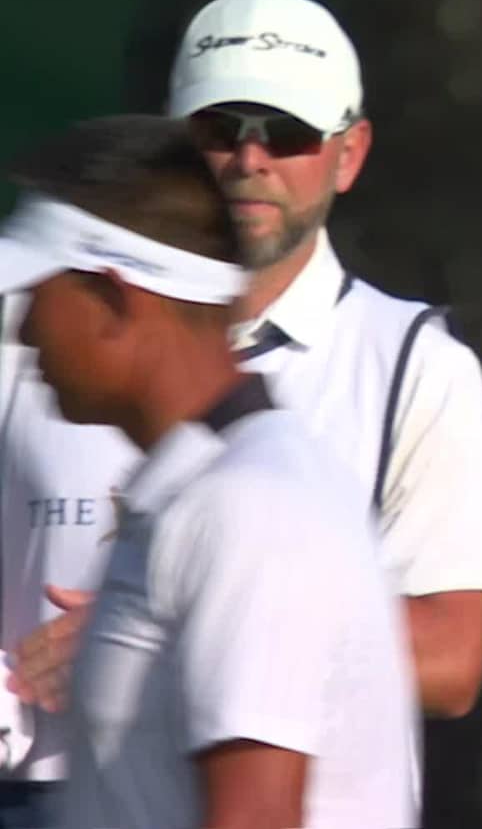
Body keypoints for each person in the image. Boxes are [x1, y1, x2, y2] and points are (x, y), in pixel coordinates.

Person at [0, 0, 482, 814]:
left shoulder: (403, 373)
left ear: (349, 154)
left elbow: (452, 662)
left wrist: (152, 631)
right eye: (219, 131)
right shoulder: (205, 454)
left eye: (287, 133)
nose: (250, 161)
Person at [0, 114, 416, 828]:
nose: (23, 327)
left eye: (38, 295)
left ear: (113, 298)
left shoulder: (250, 511)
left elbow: (253, 817)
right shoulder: (202, 493)